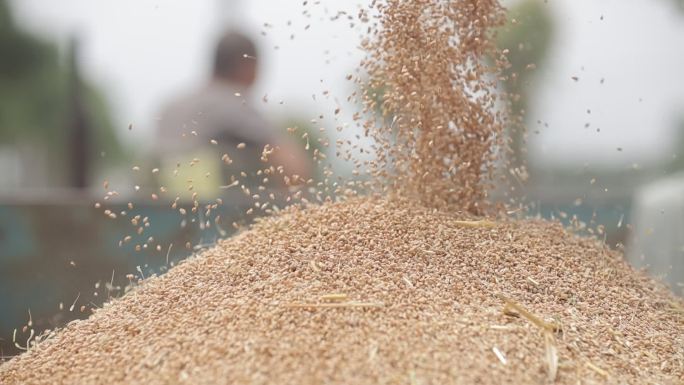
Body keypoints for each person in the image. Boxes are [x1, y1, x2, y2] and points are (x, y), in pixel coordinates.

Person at [156, 30, 310, 198]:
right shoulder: (233, 103)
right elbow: (293, 167)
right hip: (210, 214)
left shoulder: (170, 106)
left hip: (151, 209)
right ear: (247, 66)